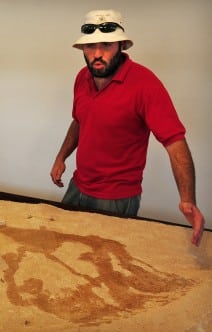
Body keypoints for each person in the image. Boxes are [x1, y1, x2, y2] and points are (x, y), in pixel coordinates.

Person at [50, 10, 205, 247]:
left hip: (116, 199)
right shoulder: (82, 78)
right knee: (63, 248)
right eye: (90, 46)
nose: (97, 54)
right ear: (83, 49)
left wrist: (187, 200)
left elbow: (175, 143)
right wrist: (62, 157)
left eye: (107, 45)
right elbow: (80, 120)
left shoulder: (145, 85)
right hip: (78, 186)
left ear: (121, 45)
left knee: (105, 267)